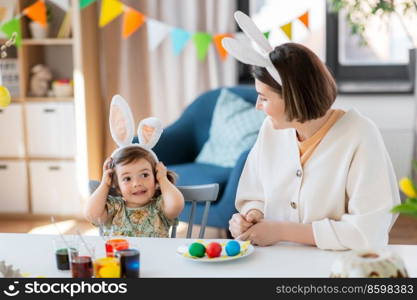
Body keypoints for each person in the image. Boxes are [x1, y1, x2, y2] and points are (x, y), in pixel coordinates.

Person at [223, 12, 400, 250]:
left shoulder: (360, 135)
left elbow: (370, 230)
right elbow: (253, 193)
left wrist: (283, 231)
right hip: (273, 261)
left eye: (263, 98)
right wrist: (250, 214)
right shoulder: (271, 130)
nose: (257, 106)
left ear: (293, 98)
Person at [85, 146, 184, 237]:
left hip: (156, 256)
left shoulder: (160, 206)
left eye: (144, 175)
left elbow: (176, 205)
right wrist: (105, 184)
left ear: (155, 178)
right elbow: (92, 215)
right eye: (127, 178)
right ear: (118, 187)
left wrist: (162, 178)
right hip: (121, 256)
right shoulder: (115, 208)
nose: (137, 183)